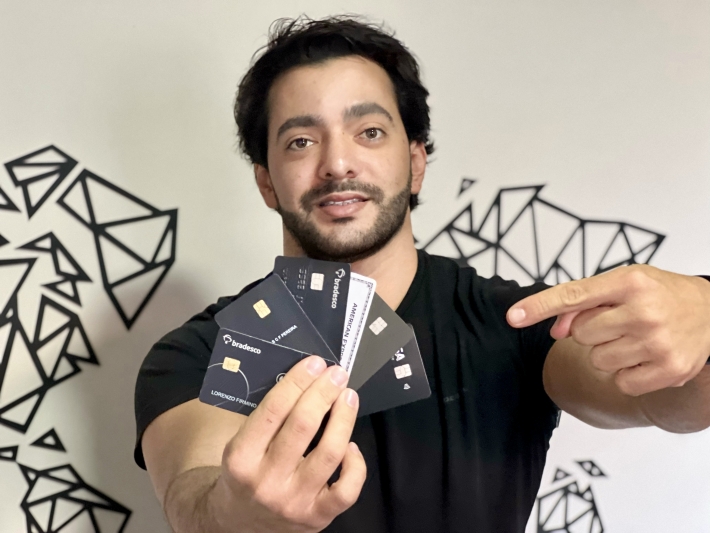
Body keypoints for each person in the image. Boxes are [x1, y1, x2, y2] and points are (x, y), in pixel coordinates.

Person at [134, 16, 710, 533]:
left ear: (414, 164)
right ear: (267, 183)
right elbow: (192, 494)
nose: (337, 163)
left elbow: (666, 401)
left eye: (369, 132)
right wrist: (233, 517)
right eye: (301, 141)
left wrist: (704, 327)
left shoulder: (515, 324)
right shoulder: (193, 353)